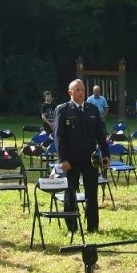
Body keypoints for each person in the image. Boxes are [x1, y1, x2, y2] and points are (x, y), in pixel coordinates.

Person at [53, 78, 106, 234]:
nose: (81, 92)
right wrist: (63, 160)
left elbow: (100, 135)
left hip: (90, 159)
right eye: (77, 90)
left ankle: (93, 227)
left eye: (82, 89)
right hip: (71, 160)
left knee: (92, 193)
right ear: (70, 92)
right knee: (70, 193)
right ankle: (72, 227)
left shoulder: (92, 109)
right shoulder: (62, 110)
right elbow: (58, 137)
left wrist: (106, 154)